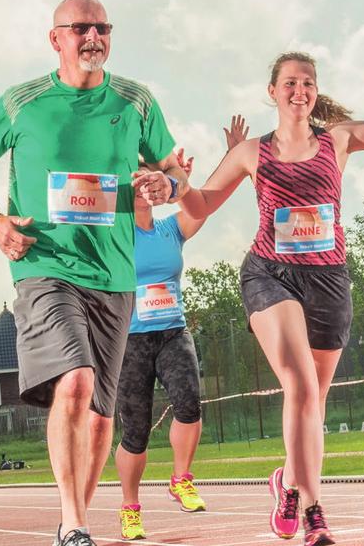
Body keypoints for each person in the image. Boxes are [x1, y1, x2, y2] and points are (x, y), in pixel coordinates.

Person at [179, 16, 364, 546]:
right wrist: (179, 183)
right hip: (271, 274)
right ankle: (314, 509)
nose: (299, 89)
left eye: (308, 82)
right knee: (300, 384)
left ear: (316, 94)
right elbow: (200, 206)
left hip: (329, 279)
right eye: (290, 82)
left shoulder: (340, 140)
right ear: (273, 92)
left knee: (316, 399)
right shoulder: (251, 153)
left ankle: (288, 482)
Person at [0, 0, 188, 546]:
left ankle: (75, 522)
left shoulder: (135, 100)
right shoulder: (21, 101)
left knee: (103, 419)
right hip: (44, 266)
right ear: (55, 38)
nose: (94, 37)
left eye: (103, 28)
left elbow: (174, 170)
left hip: (114, 274)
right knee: (75, 380)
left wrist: (167, 184)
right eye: (81, 27)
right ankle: (74, 522)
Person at [116, 120, 246, 541]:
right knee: (135, 432)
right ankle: (130, 507)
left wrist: (234, 159)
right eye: (132, 180)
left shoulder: (172, 228)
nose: (141, 186)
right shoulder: (113, 238)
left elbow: (206, 201)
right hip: (130, 341)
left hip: (173, 331)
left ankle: (181, 478)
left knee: (190, 403)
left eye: (146, 178)